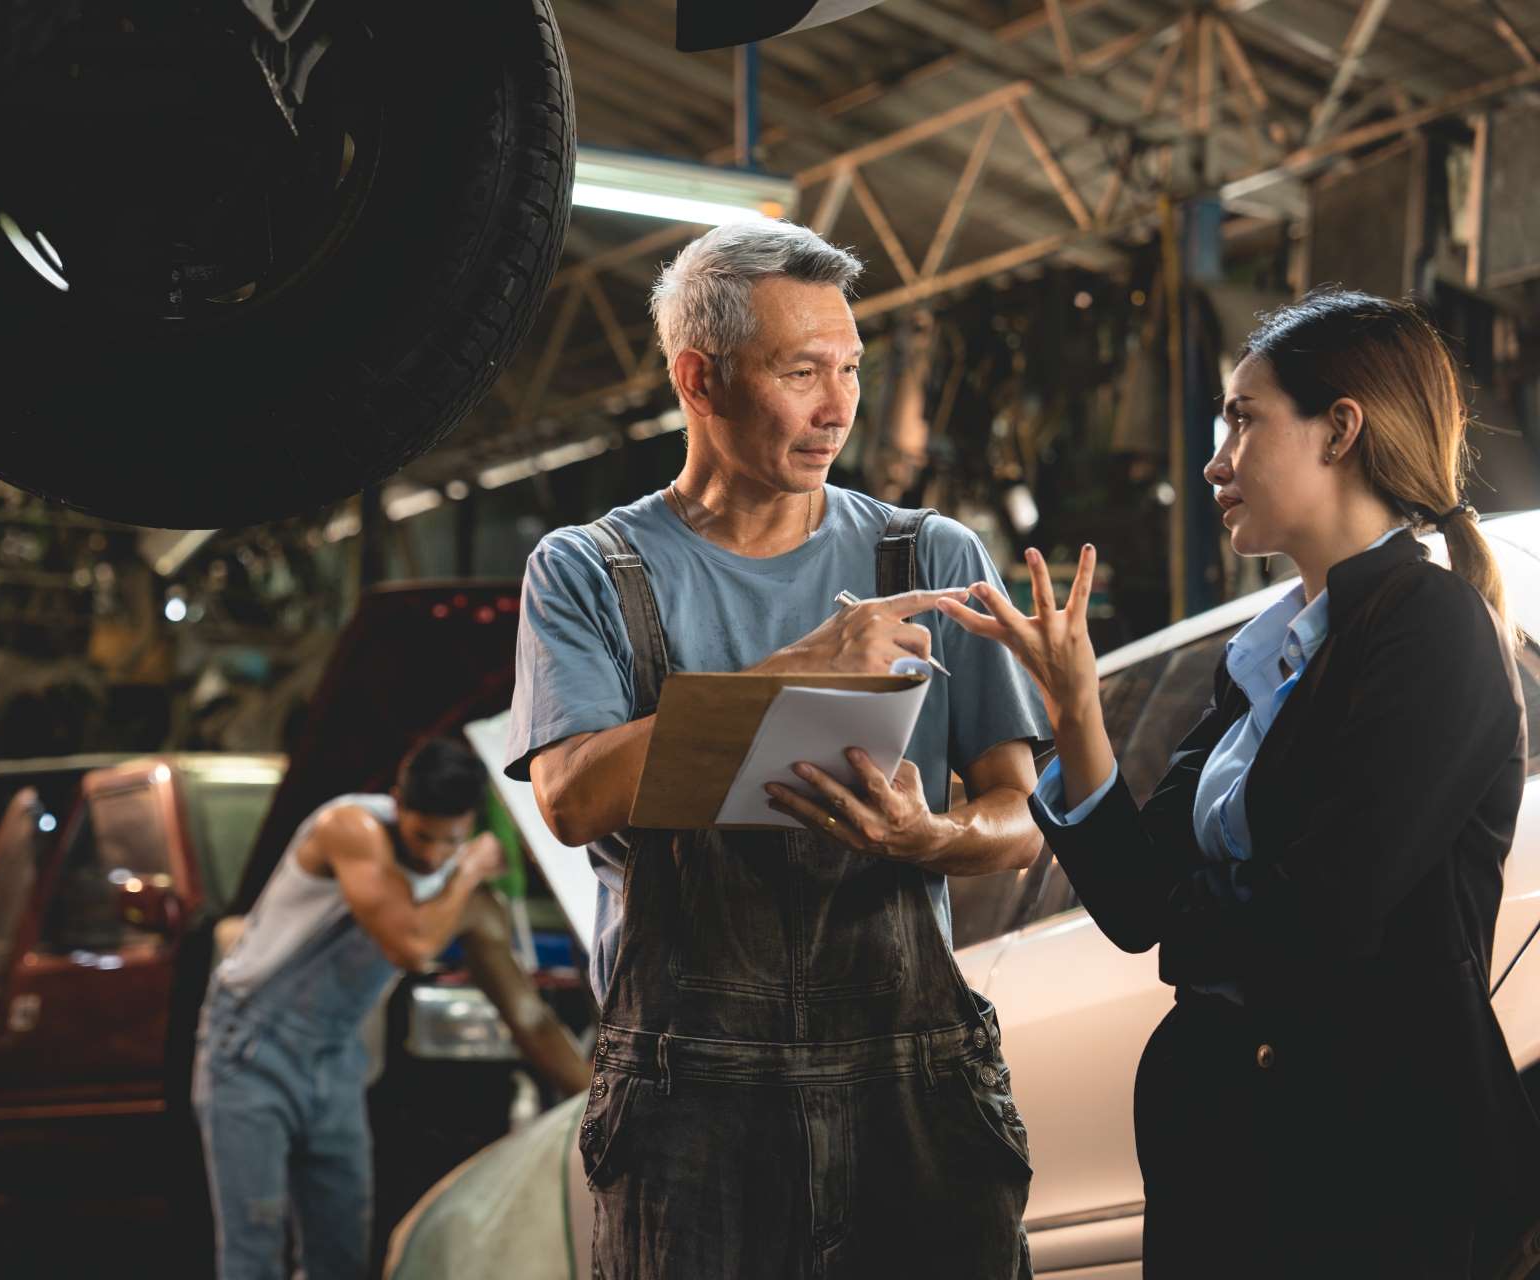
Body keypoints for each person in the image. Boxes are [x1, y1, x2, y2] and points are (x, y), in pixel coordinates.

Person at [938, 288, 1540, 1276]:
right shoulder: (1268, 657)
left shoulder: (1428, 628)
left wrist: (1194, 915)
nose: (1214, 460)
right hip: (1236, 1168)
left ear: (1340, 428)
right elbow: (1136, 905)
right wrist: (1077, 710)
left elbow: (1322, 920)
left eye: (1243, 418)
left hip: (1365, 1176)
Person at [506, 219, 1051, 1279]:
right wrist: (797, 667)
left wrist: (929, 831)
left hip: (915, 1081)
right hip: (689, 1099)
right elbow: (573, 799)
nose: (838, 408)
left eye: (849, 368)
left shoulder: (927, 554)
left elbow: (1019, 815)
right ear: (698, 379)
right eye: (801, 371)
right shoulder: (587, 570)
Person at [191, 735, 586, 1280]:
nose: (432, 855)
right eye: (423, 836)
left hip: (335, 1059)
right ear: (397, 801)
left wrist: (597, 1096)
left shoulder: (469, 901)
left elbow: (528, 1018)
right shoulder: (350, 829)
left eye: (450, 841)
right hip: (252, 1050)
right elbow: (411, 943)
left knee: (342, 1254)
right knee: (254, 1248)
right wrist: (468, 870)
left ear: (471, 824)